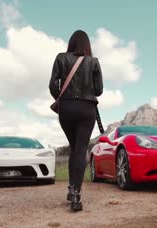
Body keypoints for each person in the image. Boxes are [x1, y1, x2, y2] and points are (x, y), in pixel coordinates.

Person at [49, 30, 103, 211]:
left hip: (67, 108)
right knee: (80, 150)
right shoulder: (93, 62)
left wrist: (63, 98)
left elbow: (52, 85)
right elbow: (99, 90)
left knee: (74, 148)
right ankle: (76, 195)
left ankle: (72, 189)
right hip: (87, 108)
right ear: (87, 44)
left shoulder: (60, 58)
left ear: (71, 43)